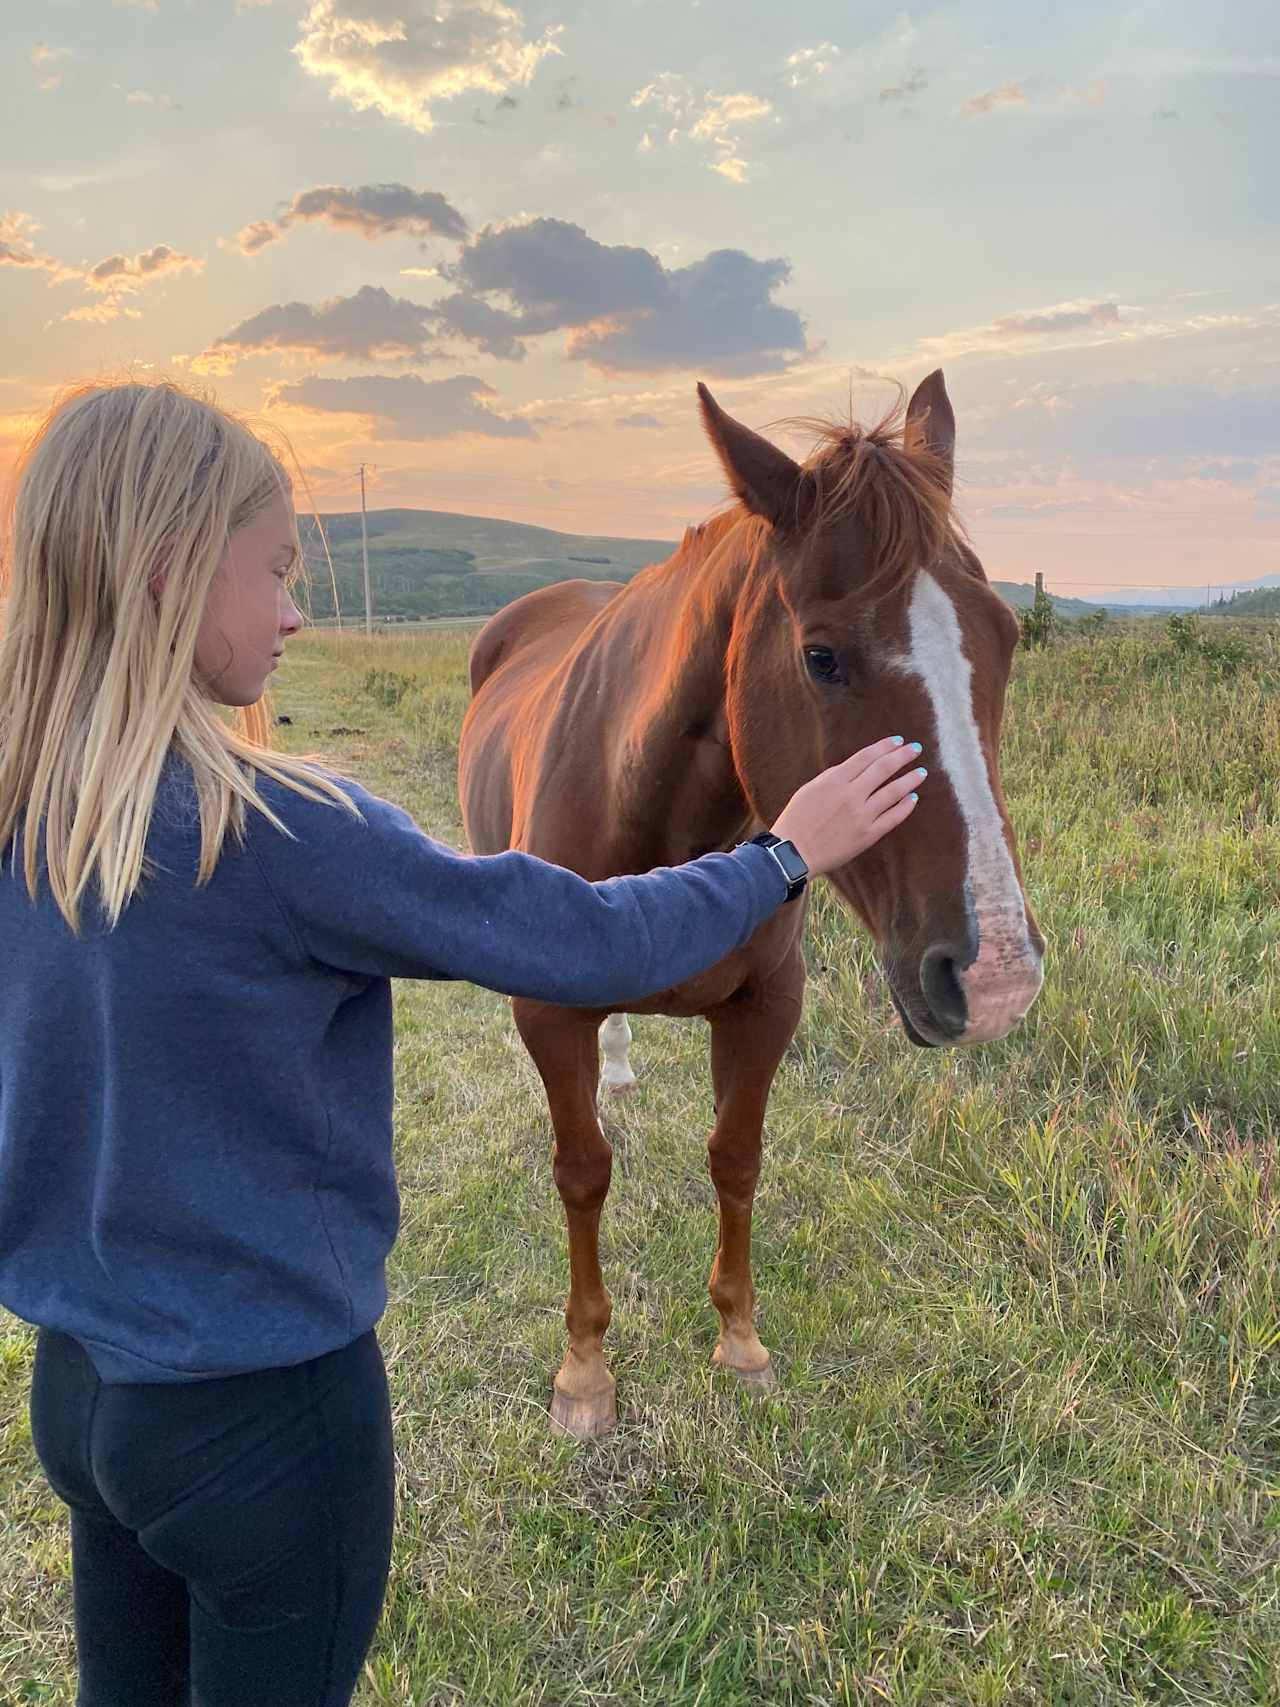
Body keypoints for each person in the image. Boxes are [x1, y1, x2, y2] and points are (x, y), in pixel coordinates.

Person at [0, 379, 929, 1707]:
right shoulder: (274, 830)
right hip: (265, 1421)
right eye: (274, 572)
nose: (297, 611)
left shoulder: (22, 809)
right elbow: (578, 942)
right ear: (161, 577)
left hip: (82, 1403)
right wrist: (786, 855)